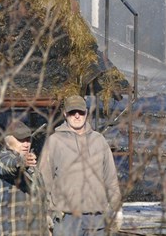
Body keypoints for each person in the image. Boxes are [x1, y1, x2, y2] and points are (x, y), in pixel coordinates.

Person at [38, 95, 122, 236]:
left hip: (96, 219)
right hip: (66, 219)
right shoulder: (54, 142)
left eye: (81, 112)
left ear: (87, 113)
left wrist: (117, 209)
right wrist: (45, 213)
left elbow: (111, 179)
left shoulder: (99, 140)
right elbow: (44, 180)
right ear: (65, 114)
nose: (77, 116)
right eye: (72, 112)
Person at [0, 119, 49, 236]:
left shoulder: (33, 167)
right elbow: (10, 165)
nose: (26, 143)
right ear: (8, 140)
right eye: (21, 140)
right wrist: (22, 162)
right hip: (12, 230)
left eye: (28, 139)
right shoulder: (1, 158)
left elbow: (41, 201)